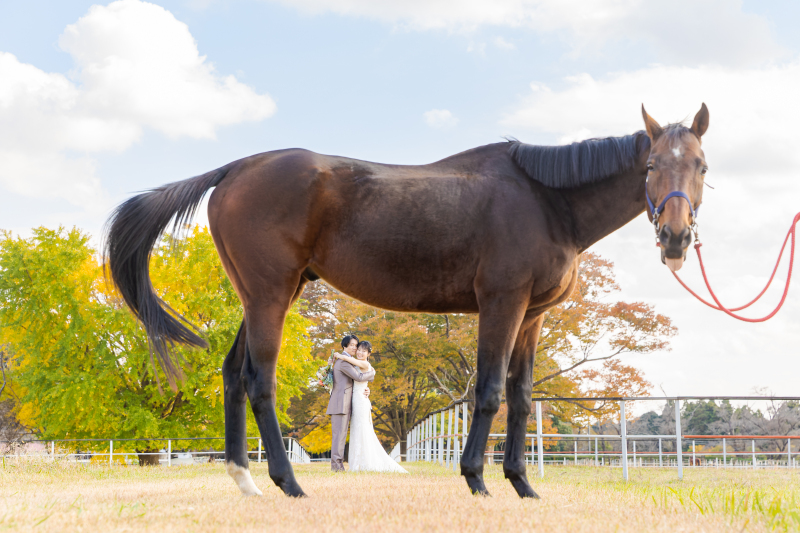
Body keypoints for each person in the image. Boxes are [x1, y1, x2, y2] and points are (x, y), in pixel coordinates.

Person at [335, 341, 407, 473]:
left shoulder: (365, 363)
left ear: (369, 354)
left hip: (360, 401)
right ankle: (359, 462)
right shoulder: (359, 363)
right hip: (357, 399)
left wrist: (339, 355)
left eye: (363, 351)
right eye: (359, 350)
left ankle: (365, 462)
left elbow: (348, 359)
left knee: (362, 429)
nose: (360, 353)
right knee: (358, 430)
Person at [326, 335, 375, 472]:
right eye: (352, 345)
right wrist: (372, 373)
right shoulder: (343, 362)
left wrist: (366, 389)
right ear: (344, 346)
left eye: (356, 345)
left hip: (347, 403)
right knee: (339, 436)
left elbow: (355, 382)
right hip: (340, 403)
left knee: (341, 436)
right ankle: (337, 468)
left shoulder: (348, 361)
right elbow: (358, 377)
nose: (354, 348)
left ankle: (339, 466)